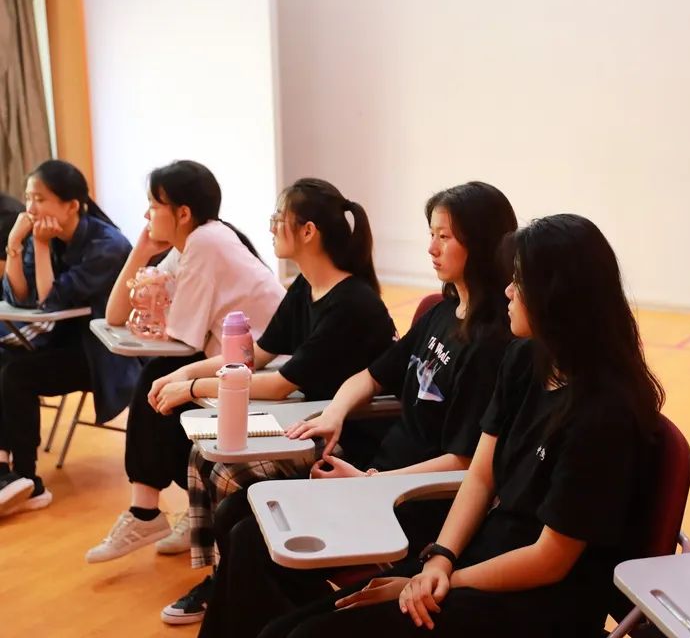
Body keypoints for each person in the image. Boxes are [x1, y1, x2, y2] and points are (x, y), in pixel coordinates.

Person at [198, 181, 519, 638]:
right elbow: (370, 376)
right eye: (431, 234)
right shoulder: (441, 313)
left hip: (414, 502)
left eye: (444, 237)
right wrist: (335, 413)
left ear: (481, 242)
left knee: (249, 537)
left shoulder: (493, 345)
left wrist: (372, 484)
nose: (431, 248)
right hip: (376, 480)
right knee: (236, 511)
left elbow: (465, 461)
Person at [158, 178, 397, 625]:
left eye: (278, 219)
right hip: (307, 422)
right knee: (201, 455)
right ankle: (223, 580)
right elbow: (255, 357)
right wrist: (184, 372)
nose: (270, 228)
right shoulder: (306, 288)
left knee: (228, 472)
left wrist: (193, 389)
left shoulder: (352, 304)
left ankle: (241, 581)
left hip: (347, 441)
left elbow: (279, 384)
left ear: (308, 231)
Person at [86, 160, 285, 563]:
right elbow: (115, 315)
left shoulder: (207, 242)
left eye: (153, 205)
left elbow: (182, 338)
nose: (146, 216)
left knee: (158, 380)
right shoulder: (192, 244)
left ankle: (145, 512)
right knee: (160, 383)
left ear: (182, 213)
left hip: (268, 366)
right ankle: (169, 512)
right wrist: (142, 251)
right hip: (236, 361)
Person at [0, 161, 139, 515]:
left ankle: (27, 478)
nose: (30, 208)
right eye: (28, 198)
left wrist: (39, 245)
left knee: (16, 375)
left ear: (72, 205)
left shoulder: (107, 245)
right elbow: (19, 297)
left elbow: (49, 301)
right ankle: (3, 469)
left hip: (102, 354)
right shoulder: (40, 235)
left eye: (40, 199)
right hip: (61, 342)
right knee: (3, 360)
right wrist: (14, 244)